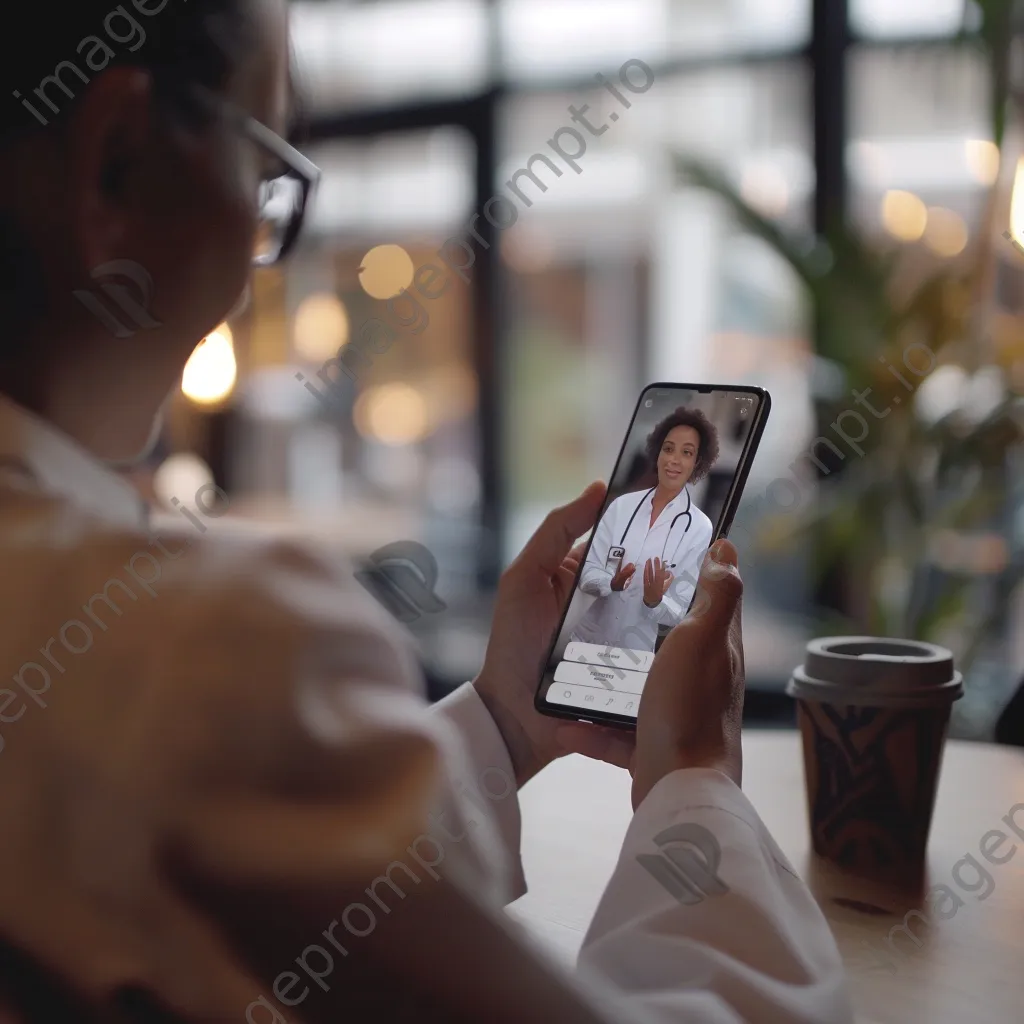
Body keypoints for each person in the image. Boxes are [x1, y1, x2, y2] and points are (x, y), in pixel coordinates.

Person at [0, 2, 853, 1022]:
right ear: (120, 163)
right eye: (267, 172)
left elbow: (268, 872)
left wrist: (504, 718)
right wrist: (696, 784)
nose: (252, 271)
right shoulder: (191, 642)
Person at [571, 408, 718, 655]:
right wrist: (611, 582)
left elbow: (678, 613)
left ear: (697, 463)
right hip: (587, 642)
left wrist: (655, 600)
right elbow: (586, 575)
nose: (673, 459)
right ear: (657, 452)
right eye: (668, 448)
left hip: (634, 654)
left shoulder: (699, 527)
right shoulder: (621, 507)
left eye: (687, 453)